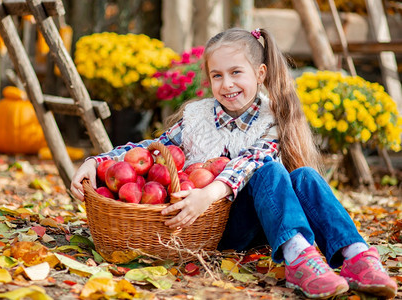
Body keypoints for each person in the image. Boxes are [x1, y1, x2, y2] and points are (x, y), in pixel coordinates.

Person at [70, 28, 398, 299]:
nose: (227, 84)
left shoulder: (272, 119)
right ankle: (300, 257)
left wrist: (208, 193)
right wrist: (98, 161)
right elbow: (153, 148)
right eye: (217, 75)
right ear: (209, 78)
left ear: (260, 73)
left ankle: (354, 255)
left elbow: (249, 162)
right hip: (216, 229)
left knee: (303, 176)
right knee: (269, 170)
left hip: (249, 220)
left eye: (236, 73)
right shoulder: (196, 117)